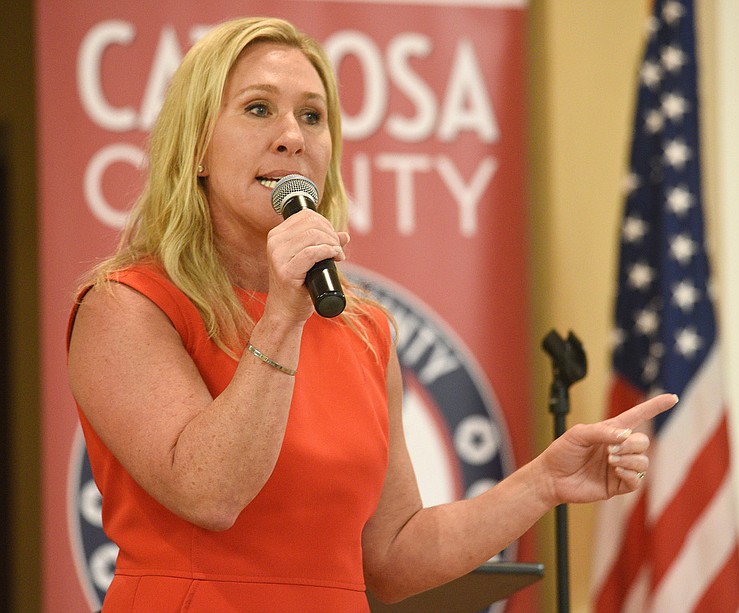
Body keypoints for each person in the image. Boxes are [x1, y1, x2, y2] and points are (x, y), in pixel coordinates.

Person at [66, 16, 678, 612]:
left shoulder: (362, 328)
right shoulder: (127, 306)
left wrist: (541, 484)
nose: (293, 136)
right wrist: (281, 315)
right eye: (258, 109)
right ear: (195, 145)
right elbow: (212, 493)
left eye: (312, 115)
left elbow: (393, 557)